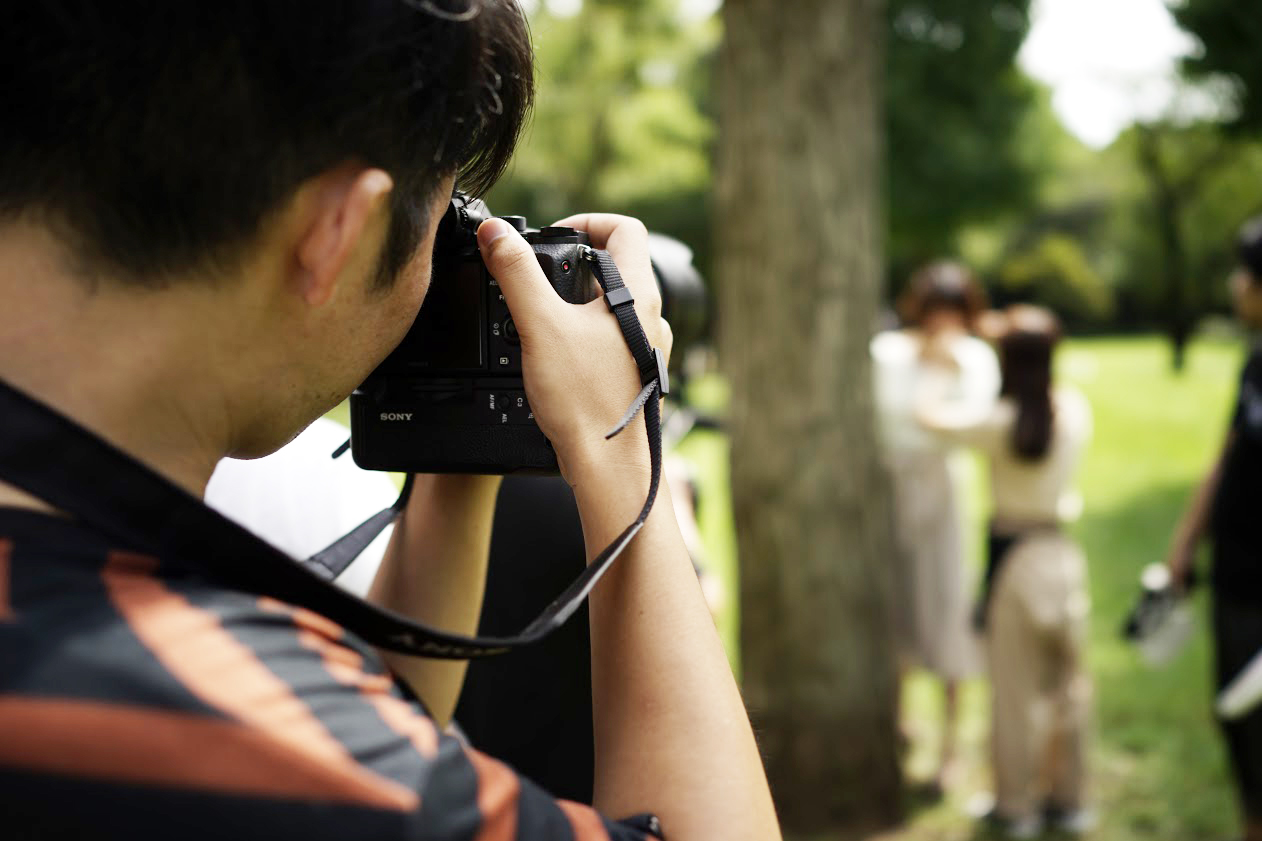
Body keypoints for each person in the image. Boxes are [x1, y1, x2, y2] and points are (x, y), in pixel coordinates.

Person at [0, 4, 781, 841]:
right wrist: (622, 452)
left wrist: (463, 449)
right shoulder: (208, 721)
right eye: (440, 222)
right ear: (339, 229)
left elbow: (373, 723)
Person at [918, 305, 1093, 839]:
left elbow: (927, 417)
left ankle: (1015, 806)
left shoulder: (996, 422)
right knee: (1071, 690)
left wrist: (941, 365)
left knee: (1015, 693)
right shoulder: (1073, 409)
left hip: (1016, 560)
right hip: (1063, 557)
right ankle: (1072, 800)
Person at [871, 260, 1000, 787]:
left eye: (955, 312)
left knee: (948, 608)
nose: (944, 323)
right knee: (892, 610)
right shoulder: (887, 354)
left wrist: (942, 374)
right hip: (889, 489)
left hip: (943, 493)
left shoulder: (974, 360)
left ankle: (950, 747)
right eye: (935, 311)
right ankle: (900, 727)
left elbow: (969, 424)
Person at [1165, 215, 1262, 841]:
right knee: (1243, 731)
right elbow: (1226, 458)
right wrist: (1182, 549)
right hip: (1236, 582)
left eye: (1243, 273)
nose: (1235, 285)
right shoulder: (1255, 363)